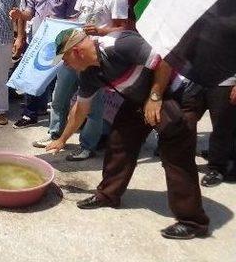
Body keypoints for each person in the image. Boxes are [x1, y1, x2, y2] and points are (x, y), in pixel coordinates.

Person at [47, 28, 210, 239]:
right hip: (139, 99)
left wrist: (154, 97)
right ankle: (108, 194)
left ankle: (193, 222)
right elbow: (80, 109)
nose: (65, 65)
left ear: (77, 51)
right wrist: (62, 139)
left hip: (176, 92)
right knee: (119, 141)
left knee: (176, 155)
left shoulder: (120, 44)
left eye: (65, 59)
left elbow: (163, 60)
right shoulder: (89, 73)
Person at [44, 0, 129, 161]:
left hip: (95, 59)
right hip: (73, 53)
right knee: (59, 97)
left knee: (92, 107)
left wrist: (100, 31)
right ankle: (55, 135)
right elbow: (77, 18)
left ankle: (87, 145)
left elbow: (122, 30)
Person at [10, 0, 79, 129]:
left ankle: (57, 120)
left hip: (59, 43)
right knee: (33, 77)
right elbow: (29, 13)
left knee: (56, 83)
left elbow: (73, 21)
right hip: (38, 41)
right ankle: (30, 114)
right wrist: (19, 14)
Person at [186, 76, 236, 187]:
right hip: (198, 80)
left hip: (225, 82)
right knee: (185, 117)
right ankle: (181, 156)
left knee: (221, 127)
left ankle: (217, 169)